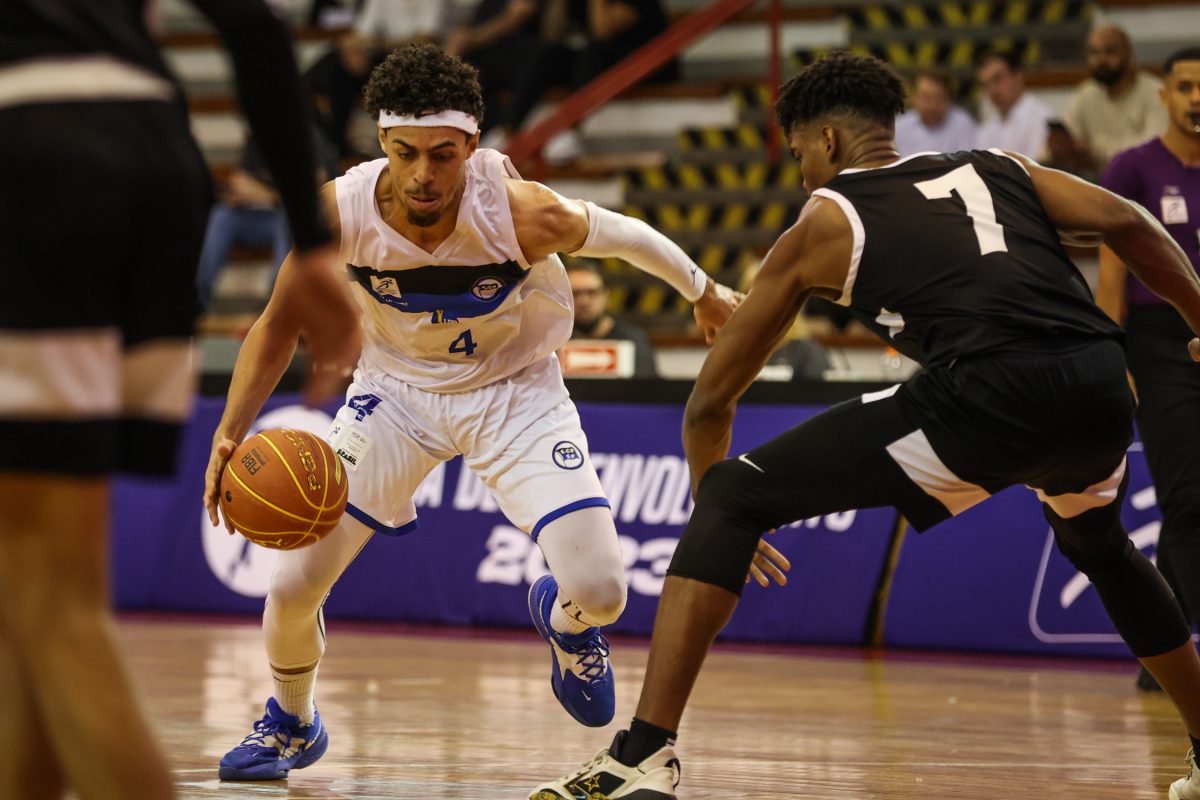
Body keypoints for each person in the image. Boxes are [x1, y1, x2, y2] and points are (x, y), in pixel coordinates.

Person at [529, 51, 1200, 800]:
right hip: (1099, 386)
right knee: (1103, 548)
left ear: (827, 142)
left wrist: (713, 509)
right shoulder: (994, 164)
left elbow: (710, 401)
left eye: (799, 157)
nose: (802, 177)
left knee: (735, 493)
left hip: (989, 393)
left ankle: (642, 756)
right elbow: (1127, 220)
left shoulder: (827, 219)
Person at [204, 42, 742, 781]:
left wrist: (703, 291)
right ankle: (292, 723)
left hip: (514, 392)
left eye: (443, 155)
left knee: (603, 593)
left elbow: (625, 235)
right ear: (381, 141)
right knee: (292, 588)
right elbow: (275, 326)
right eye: (405, 153)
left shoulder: (518, 211)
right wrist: (228, 433)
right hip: (394, 394)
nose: (423, 175)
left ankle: (563, 621)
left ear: (473, 145)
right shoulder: (339, 210)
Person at [0, 1, 359, 799]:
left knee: (48, 606)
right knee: (31, 602)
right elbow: (255, 25)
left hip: (30, 151)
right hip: (159, 161)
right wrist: (309, 241)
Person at [1095, 47, 1200, 696]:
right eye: (1185, 87)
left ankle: (1164, 654)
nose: (1197, 99)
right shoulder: (1133, 169)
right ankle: (1182, 658)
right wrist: (1113, 356)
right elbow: (1112, 276)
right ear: (1163, 95)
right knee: (1188, 499)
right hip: (1162, 344)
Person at [1062, 25, 1166, 172]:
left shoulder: (1156, 92)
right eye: (1094, 52)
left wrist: (1094, 148)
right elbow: (1068, 139)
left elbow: (1152, 152)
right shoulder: (1086, 93)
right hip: (1096, 183)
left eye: (1110, 51)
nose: (1101, 60)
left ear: (1129, 54)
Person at [567, 261, 658, 377]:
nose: (584, 301)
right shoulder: (552, 341)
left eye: (592, 292)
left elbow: (648, 385)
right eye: (574, 293)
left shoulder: (632, 339)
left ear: (606, 295)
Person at [975, 49, 1052, 158]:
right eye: (985, 84)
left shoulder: (1042, 119)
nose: (992, 90)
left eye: (997, 79)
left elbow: (1037, 165)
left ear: (1019, 76)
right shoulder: (988, 127)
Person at [894, 67, 976, 156]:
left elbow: (968, 160)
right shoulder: (899, 127)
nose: (932, 105)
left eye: (938, 98)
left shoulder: (963, 123)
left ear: (948, 99)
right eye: (926, 98)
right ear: (914, 98)